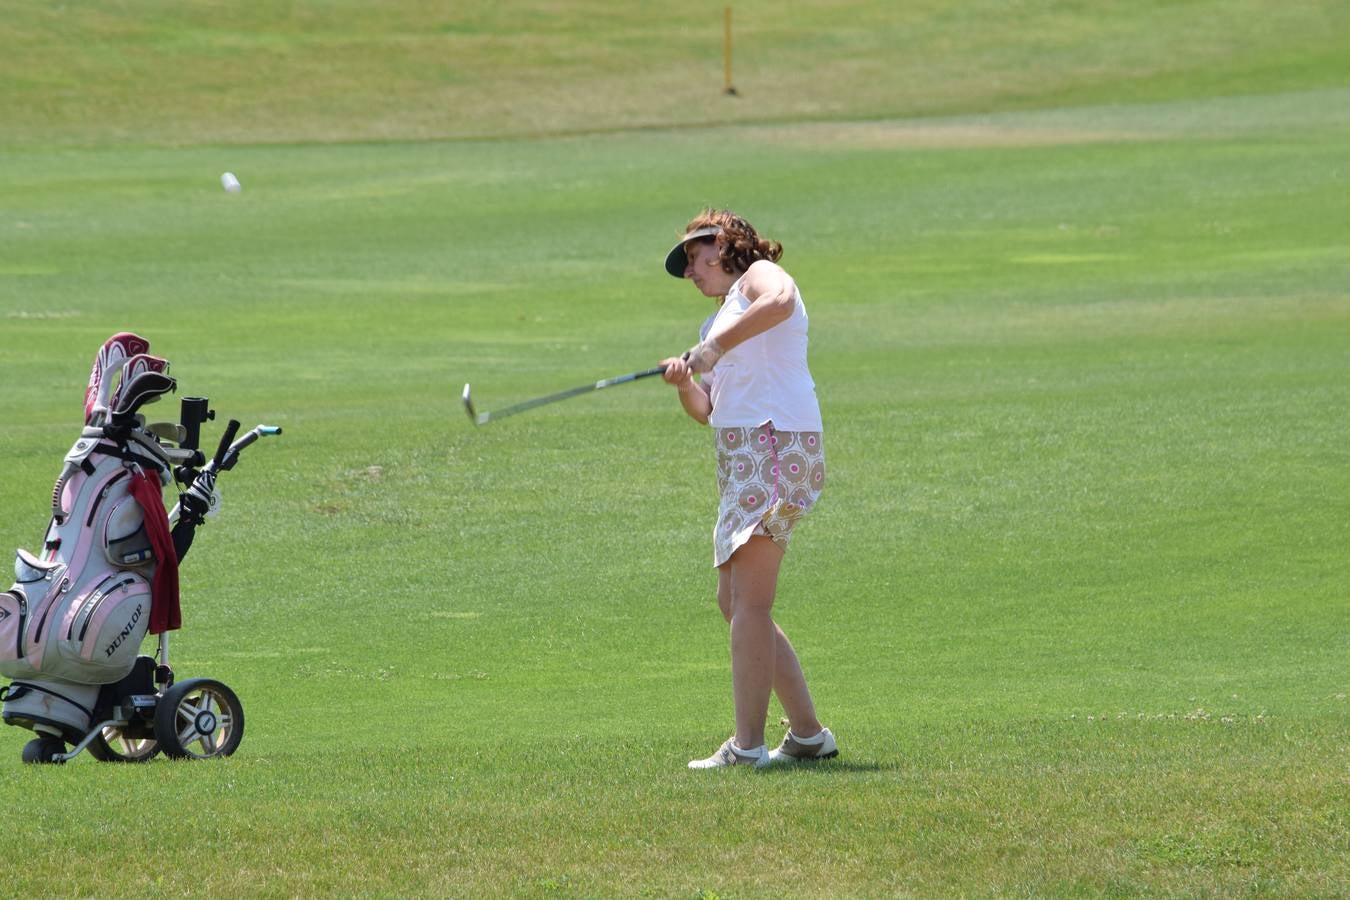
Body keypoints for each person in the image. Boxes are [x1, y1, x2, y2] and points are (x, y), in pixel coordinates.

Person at [659, 208, 837, 769]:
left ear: (726, 244)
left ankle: (748, 746)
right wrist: (687, 382)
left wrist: (713, 349)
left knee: (750, 604)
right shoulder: (719, 323)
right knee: (735, 603)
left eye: (695, 257)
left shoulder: (757, 277)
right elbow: (708, 410)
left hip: (775, 453)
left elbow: (780, 299)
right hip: (750, 460)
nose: (690, 272)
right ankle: (807, 734)